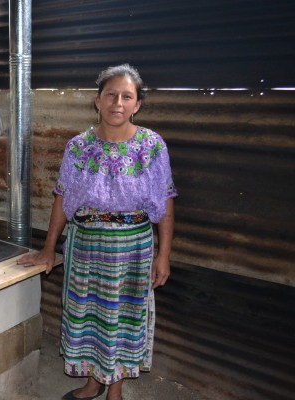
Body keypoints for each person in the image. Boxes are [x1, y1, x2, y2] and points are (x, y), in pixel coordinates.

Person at [17, 64, 177, 400]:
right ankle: (92, 383)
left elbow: (164, 201)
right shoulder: (78, 147)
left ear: (137, 105)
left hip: (133, 250)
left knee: (123, 319)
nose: (118, 102)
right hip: (86, 248)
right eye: (111, 95)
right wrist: (49, 248)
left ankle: (113, 392)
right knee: (87, 316)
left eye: (127, 96)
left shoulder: (152, 146)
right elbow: (64, 198)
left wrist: (163, 255)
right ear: (97, 101)